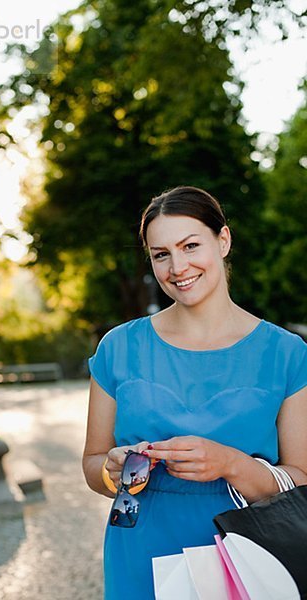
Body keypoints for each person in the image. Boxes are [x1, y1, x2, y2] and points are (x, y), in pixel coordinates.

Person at [82, 186, 307, 599]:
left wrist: (230, 463)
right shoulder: (117, 348)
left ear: (223, 241)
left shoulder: (287, 354)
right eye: (161, 253)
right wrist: (112, 471)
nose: (177, 266)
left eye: (190, 246)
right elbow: (93, 466)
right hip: (140, 549)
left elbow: (302, 479)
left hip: (249, 551)